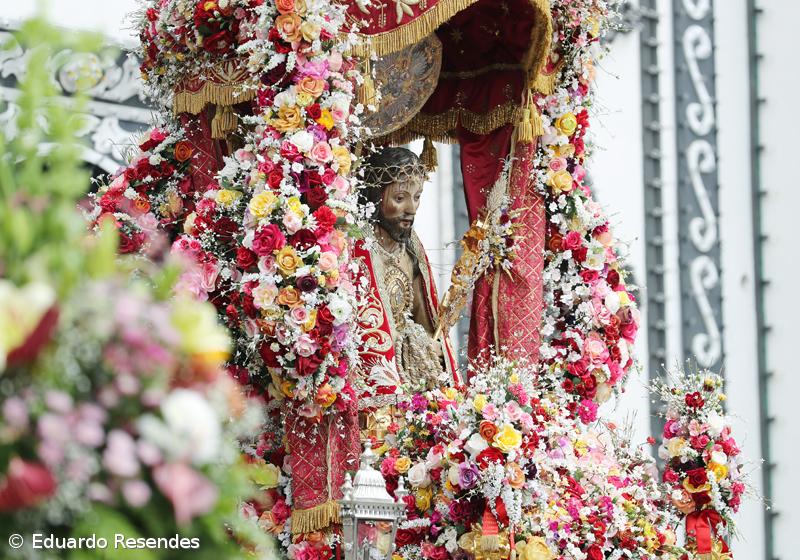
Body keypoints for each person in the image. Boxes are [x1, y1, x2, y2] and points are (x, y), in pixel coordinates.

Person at [353, 147, 459, 433]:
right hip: (379, 370)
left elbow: (424, 314)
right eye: (399, 198)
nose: (411, 208)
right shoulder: (361, 248)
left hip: (414, 368)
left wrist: (432, 345)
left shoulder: (411, 245)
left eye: (417, 197)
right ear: (377, 198)